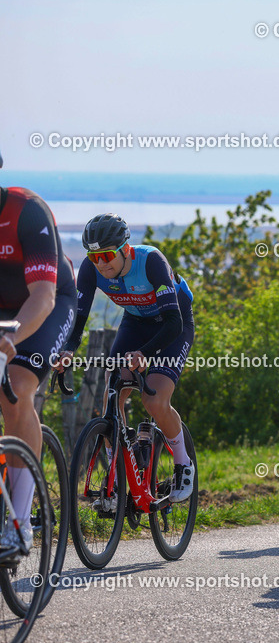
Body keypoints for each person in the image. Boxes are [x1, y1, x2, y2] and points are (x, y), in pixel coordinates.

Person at [60, 213, 196, 503]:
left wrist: (144, 354)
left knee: (154, 400)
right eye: (94, 257)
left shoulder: (151, 261)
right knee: (112, 396)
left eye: (107, 255)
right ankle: (119, 472)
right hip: (136, 322)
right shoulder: (91, 268)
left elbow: (173, 322)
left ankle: (183, 463)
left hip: (174, 322)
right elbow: (79, 316)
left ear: (125, 249)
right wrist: (67, 348)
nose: (101, 263)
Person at [0, 149, 78, 556]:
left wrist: (9, 341)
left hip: (48, 303)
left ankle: (22, 521)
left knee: (15, 385)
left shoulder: (26, 210)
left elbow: (44, 297)